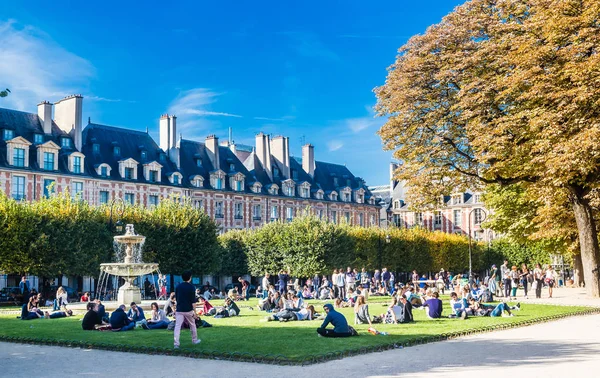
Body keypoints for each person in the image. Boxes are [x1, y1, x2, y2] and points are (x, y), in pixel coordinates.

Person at [174, 271, 200, 348]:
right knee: (192, 325)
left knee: (177, 327)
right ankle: (194, 340)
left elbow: (177, 299)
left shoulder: (178, 287)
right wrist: (195, 312)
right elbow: (193, 301)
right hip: (188, 310)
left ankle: (176, 344)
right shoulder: (191, 287)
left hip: (179, 309)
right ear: (190, 278)